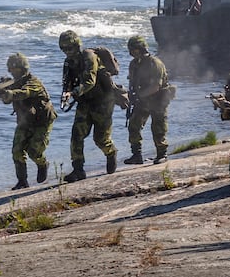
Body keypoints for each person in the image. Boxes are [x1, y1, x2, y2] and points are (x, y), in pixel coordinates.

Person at [58, 30, 118, 182]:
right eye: (63, 49)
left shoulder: (89, 57)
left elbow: (90, 81)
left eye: (69, 48)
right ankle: (78, 170)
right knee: (76, 135)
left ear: (76, 45)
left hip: (103, 101)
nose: (67, 52)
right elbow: (67, 82)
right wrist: (66, 93)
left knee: (100, 138)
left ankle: (111, 153)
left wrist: (73, 93)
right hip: (85, 102)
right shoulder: (68, 62)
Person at [0, 52, 56, 190]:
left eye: (14, 69)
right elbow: (8, 101)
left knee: (34, 152)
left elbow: (23, 93)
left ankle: (43, 164)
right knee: (17, 151)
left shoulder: (34, 83)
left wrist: (8, 93)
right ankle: (22, 181)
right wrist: (2, 91)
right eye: (10, 69)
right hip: (25, 120)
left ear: (22, 68)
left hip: (41, 121)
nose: (11, 72)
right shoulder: (13, 83)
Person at [125, 34, 173, 164]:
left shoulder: (155, 63)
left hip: (158, 100)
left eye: (133, 49)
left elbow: (156, 86)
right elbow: (132, 83)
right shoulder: (134, 64)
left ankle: (162, 154)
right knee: (133, 125)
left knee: (158, 127)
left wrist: (139, 95)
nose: (131, 53)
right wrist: (131, 96)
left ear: (140, 49)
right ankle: (136, 155)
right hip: (143, 100)